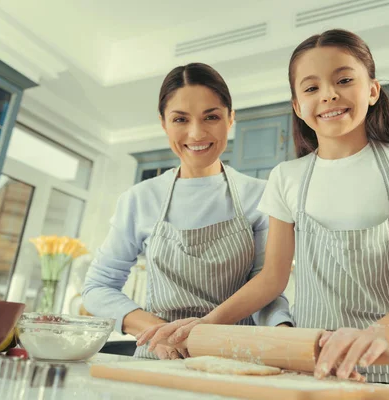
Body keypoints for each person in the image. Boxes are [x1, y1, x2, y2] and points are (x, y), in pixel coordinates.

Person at [141, 29, 389, 388]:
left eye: (344, 80)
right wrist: (207, 323)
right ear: (298, 106)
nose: (329, 94)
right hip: (310, 370)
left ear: (373, 90)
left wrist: (380, 335)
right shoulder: (287, 177)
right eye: (311, 88)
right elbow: (272, 279)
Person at [82, 62, 293, 360]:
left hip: (234, 358)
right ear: (163, 123)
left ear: (230, 120)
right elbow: (97, 287)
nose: (196, 133)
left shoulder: (261, 195)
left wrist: (283, 330)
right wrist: (162, 332)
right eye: (180, 119)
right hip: (159, 356)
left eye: (211, 117)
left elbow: (267, 286)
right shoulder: (140, 199)